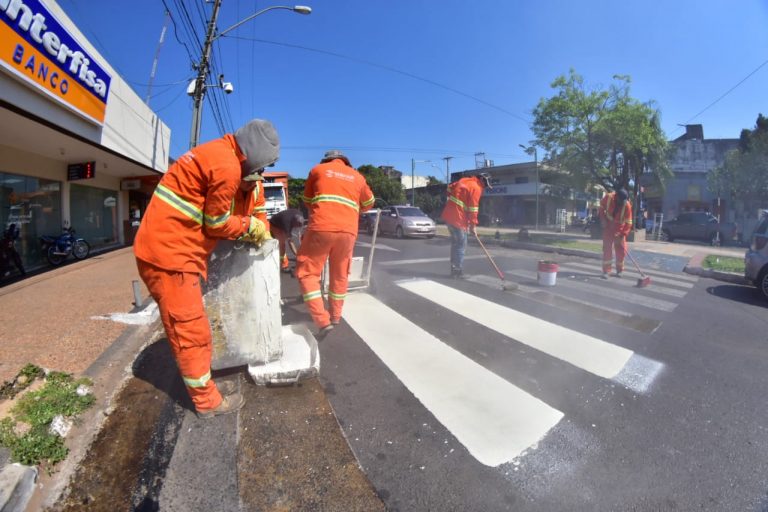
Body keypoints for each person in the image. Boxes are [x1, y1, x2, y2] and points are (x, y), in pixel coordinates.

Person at [133, 119, 278, 419]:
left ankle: (204, 385)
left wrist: (255, 222)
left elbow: (244, 207)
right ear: (252, 157)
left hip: (171, 250)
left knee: (192, 326)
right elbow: (216, 224)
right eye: (259, 169)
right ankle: (206, 402)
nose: (258, 177)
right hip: (169, 255)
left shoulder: (221, 155)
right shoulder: (226, 168)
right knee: (191, 331)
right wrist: (250, 226)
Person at [296, 150, 374, 338]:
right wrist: (352, 208)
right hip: (348, 231)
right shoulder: (357, 176)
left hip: (321, 227)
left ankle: (322, 321)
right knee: (340, 275)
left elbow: (307, 200)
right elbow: (369, 202)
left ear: (326, 160)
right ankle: (336, 315)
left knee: (308, 273)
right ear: (345, 162)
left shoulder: (318, 170)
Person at [440, 172, 492, 278]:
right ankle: (457, 271)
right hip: (458, 219)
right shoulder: (476, 188)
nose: (484, 187)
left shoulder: (465, 180)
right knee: (460, 245)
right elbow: (473, 209)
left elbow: (449, 188)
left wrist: (454, 199)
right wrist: (473, 226)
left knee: (455, 244)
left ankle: (454, 269)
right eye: (485, 184)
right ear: (482, 179)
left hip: (448, 216)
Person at [599, 188, 633, 278]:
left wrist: (622, 235)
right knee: (607, 249)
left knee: (621, 251)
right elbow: (601, 207)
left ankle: (619, 270)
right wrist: (602, 219)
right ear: (616, 197)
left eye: (623, 201)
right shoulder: (609, 197)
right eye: (620, 200)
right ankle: (606, 271)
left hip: (619, 229)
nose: (622, 203)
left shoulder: (627, 205)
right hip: (608, 227)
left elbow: (629, 223)